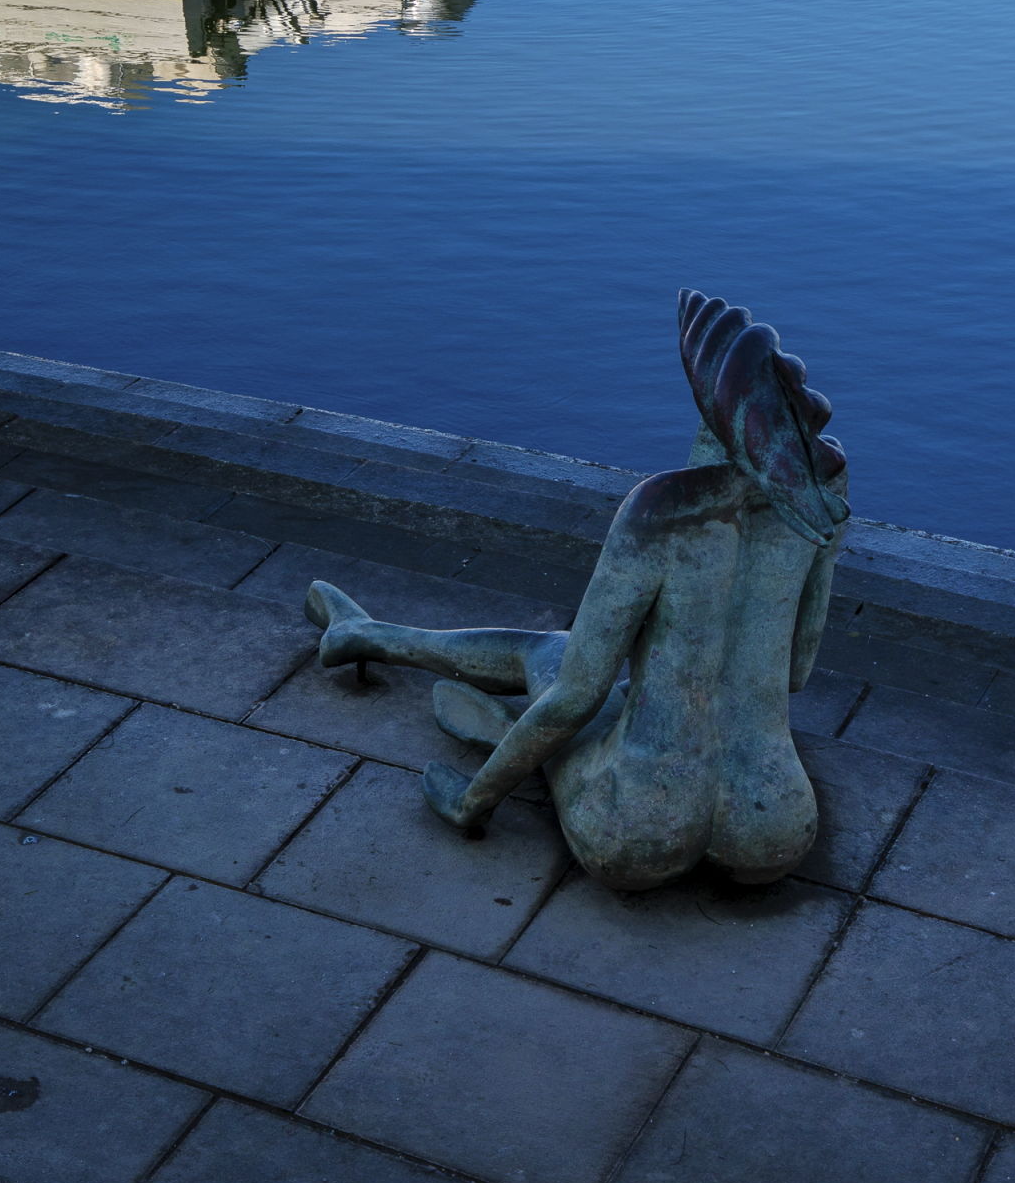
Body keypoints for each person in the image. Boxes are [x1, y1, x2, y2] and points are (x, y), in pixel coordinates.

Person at [305, 292, 849, 892]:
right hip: (773, 825)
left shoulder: (662, 510)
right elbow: (795, 670)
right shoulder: (825, 499)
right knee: (633, 692)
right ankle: (385, 649)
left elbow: (577, 696)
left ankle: (372, 642)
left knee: (552, 656)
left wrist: (474, 799)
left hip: (641, 826)